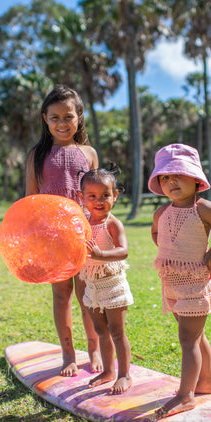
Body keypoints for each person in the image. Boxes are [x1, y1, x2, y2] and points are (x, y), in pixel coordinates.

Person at [148, 143, 211, 418]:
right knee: (196, 336)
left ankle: (185, 396)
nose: (171, 181)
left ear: (195, 179)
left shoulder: (203, 209)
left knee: (188, 339)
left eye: (177, 174)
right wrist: (169, 253)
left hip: (194, 283)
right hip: (172, 283)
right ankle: (205, 383)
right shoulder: (161, 212)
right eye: (165, 177)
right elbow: (157, 233)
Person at [25, 84, 102, 376]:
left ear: (79, 117)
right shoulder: (36, 155)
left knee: (87, 297)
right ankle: (68, 354)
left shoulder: (89, 153)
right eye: (55, 117)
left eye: (68, 116)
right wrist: (35, 241)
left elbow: (97, 197)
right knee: (62, 297)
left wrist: (101, 230)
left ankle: (93, 349)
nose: (62, 123)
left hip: (84, 237)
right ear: (45, 118)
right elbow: (30, 202)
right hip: (53, 240)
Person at [78, 166, 133, 394]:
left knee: (117, 332)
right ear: (81, 198)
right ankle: (108, 370)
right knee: (101, 330)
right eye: (92, 196)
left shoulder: (112, 223)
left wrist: (101, 255)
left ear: (115, 196)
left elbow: (123, 251)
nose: (99, 201)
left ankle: (124, 375)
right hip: (91, 285)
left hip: (113, 285)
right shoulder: (81, 223)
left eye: (105, 195)